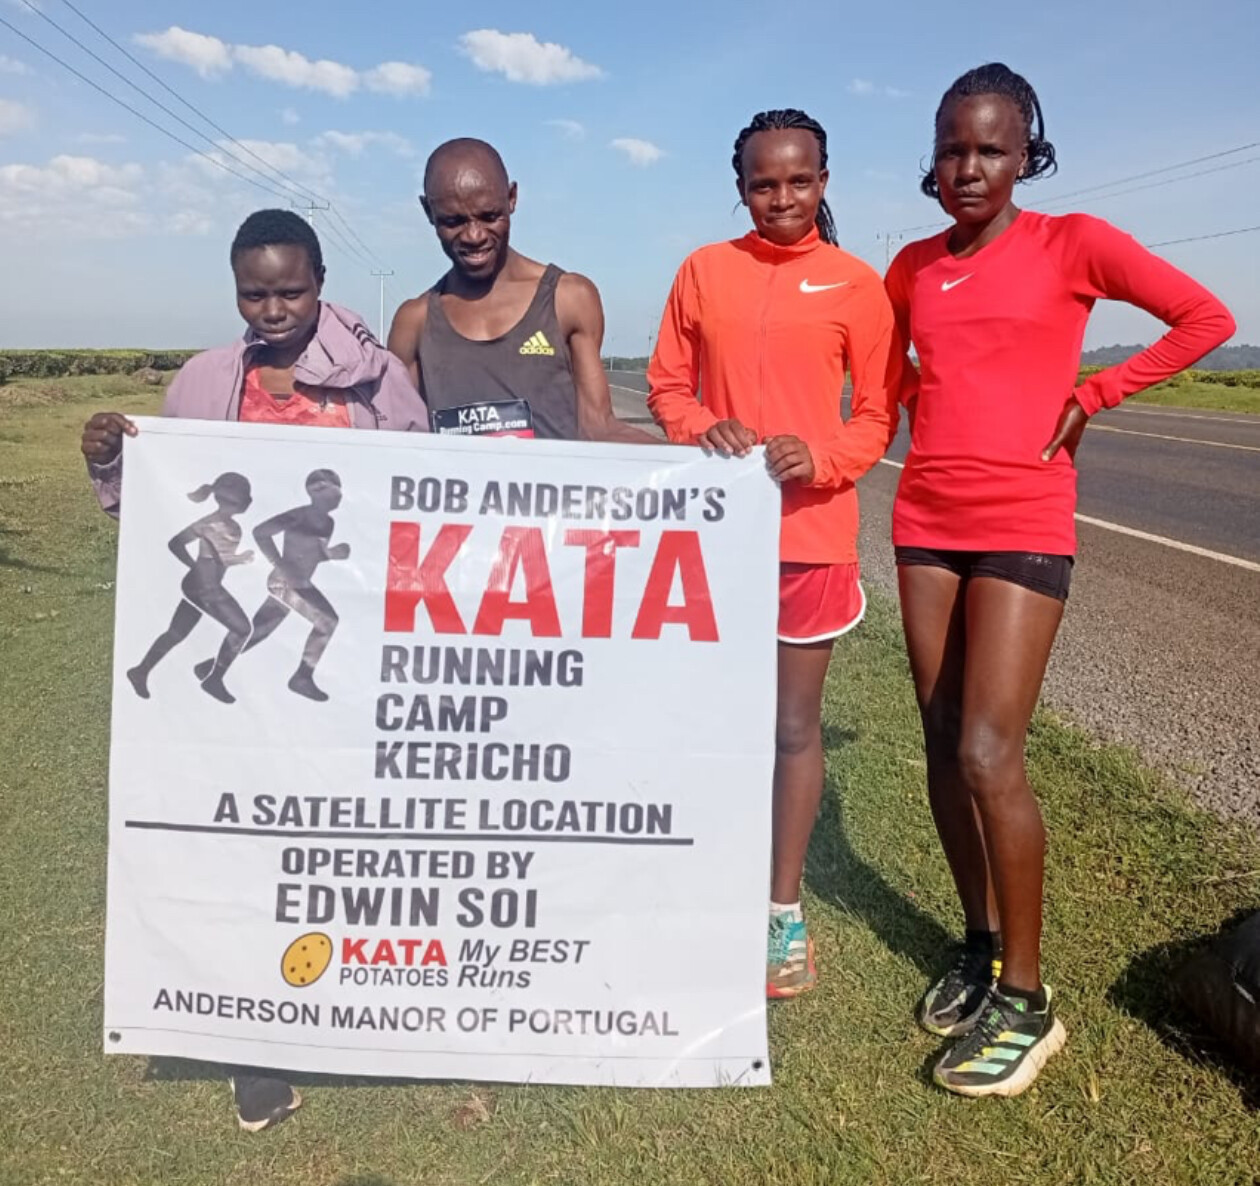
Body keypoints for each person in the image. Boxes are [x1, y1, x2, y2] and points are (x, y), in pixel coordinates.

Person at [884, 62, 1235, 1098]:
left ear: (1025, 155)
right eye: (952, 149)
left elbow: (1204, 316)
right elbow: (896, 369)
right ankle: (980, 946)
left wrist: (1099, 390)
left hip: (1023, 522)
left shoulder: (1072, 241)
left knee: (989, 749)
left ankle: (1028, 1001)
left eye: (991, 149)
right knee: (941, 740)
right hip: (925, 521)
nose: (969, 168)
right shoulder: (911, 265)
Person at [80, 208, 427, 1132]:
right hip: (246, 693)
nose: (274, 309)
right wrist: (113, 465)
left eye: (292, 290)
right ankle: (253, 1039)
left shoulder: (380, 381)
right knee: (246, 841)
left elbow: (425, 504)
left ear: (322, 282)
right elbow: (160, 515)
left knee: (347, 833)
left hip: (357, 654)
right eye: (254, 293)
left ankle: (356, 1003)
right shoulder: (203, 382)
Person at [647, 109, 902, 999]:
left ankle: (780, 911)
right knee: (709, 720)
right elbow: (666, 387)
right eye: (764, 183)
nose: (782, 198)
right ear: (741, 187)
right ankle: (702, 881)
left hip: (809, 541)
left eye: (799, 181)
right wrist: (700, 425)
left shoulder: (856, 285)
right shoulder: (703, 270)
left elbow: (877, 413)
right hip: (715, 537)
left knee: (792, 728)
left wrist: (820, 457)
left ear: (823, 182)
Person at [388, 137, 657, 444]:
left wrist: (694, 464)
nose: (474, 236)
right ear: (428, 211)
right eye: (453, 222)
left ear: (512, 198)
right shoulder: (414, 323)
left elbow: (597, 427)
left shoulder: (568, 299)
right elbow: (398, 439)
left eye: (489, 216)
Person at [195, 468, 349, 704]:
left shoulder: (328, 523)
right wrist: (280, 563)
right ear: (315, 493)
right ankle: (302, 677)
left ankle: (210, 669)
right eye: (333, 492)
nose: (339, 496)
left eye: (339, 492)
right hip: (284, 583)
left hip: (300, 584)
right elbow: (261, 532)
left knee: (259, 631)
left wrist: (332, 554)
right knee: (327, 621)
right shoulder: (298, 515)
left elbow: (313, 555)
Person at [127, 473, 255, 699]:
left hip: (204, 583)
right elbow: (178, 543)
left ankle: (140, 671)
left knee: (177, 632)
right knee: (242, 629)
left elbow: (219, 558)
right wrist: (235, 560)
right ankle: (213, 679)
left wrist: (204, 566)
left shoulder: (230, 526)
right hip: (203, 586)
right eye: (239, 499)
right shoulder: (211, 524)